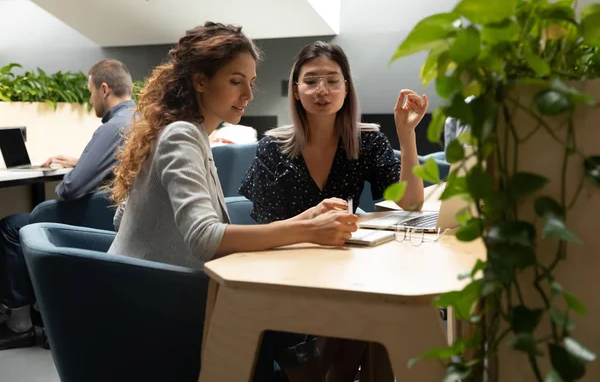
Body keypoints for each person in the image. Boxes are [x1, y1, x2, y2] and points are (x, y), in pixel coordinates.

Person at [106, 22, 358, 382]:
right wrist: (307, 229)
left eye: (251, 83)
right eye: (236, 81)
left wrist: (308, 216)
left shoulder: (180, 130)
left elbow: (122, 219)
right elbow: (204, 238)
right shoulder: (182, 134)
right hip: (153, 308)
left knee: (305, 324)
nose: (249, 94)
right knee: (300, 322)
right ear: (200, 80)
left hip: (136, 294)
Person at [239, 41, 429, 381]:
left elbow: (411, 204)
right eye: (310, 81)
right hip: (289, 275)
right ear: (296, 91)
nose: (322, 90)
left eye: (332, 80)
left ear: (346, 88)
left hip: (345, 271)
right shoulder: (272, 148)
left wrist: (407, 134)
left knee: (372, 314)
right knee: (357, 324)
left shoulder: (366, 141)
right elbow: (267, 229)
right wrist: (314, 220)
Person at [0, 59, 136, 350]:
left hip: (96, 219)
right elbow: (119, 164)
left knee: (12, 226)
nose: (90, 100)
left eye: (89, 93)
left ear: (104, 89)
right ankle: (39, 310)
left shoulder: (112, 128)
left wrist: (74, 174)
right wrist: (82, 162)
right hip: (120, 218)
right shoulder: (139, 118)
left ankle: (19, 323)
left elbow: (69, 190)